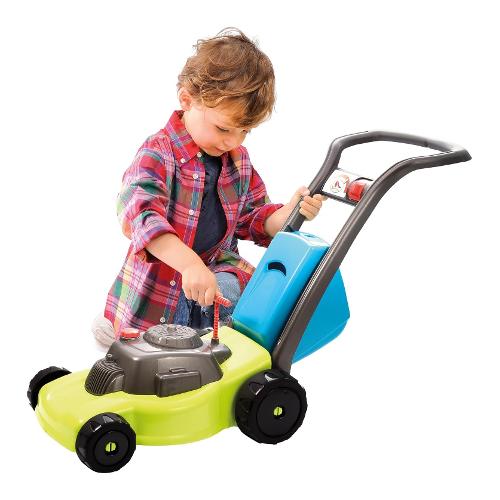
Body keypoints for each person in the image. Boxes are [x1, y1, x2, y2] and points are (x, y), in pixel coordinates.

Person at [92, 28, 326, 347]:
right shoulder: (158, 153)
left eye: (245, 131)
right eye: (224, 128)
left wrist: (287, 214)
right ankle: (121, 331)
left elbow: (252, 217)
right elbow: (142, 218)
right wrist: (189, 264)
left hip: (215, 272)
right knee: (153, 347)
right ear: (187, 99)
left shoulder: (238, 161)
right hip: (163, 286)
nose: (233, 141)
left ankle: (216, 343)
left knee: (248, 294)